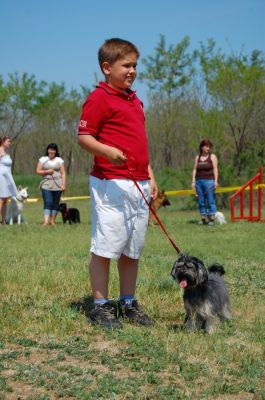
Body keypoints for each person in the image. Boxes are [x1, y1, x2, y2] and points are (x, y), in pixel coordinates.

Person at [78, 38, 158, 329]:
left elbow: (140, 144)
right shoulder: (99, 98)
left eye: (135, 65)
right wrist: (107, 152)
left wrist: (151, 174)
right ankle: (100, 305)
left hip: (139, 184)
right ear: (107, 67)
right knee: (106, 245)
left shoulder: (135, 100)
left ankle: (127, 302)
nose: (132, 70)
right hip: (110, 183)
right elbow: (84, 137)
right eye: (126, 65)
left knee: (131, 248)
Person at [36, 143, 66, 226]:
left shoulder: (59, 160)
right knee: (48, 201)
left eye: (53, 149)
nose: (52, 151)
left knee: (55, 203)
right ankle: (46, 221)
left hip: (58, 184)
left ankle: (52, 221)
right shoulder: (43, 159)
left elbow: (63, 173)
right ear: (47, 150)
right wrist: (46, 172)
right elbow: (38, 171)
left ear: (56, 151)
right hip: (46, 183)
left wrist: (63, 185)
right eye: (50, 149)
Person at [192, 139, 218, 226]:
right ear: (202, 147)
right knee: (201, 201)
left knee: (210, 200)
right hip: (199, 182)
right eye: (206, 146)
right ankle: (203, 218)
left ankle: (212, 219)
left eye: (209, 146)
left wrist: (216, 181)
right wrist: (193, 181)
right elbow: (195, 169)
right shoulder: (197, 157)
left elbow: (215, 169)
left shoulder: (212, 157)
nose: (208, 148)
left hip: (209, 181)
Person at [0, 136, 18, 224]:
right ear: (3, 142)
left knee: (5, 199)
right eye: (8, 141)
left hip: (7, 176)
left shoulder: (6, 153)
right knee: (1, 199)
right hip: (1, 176)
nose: (9, 143)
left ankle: (3, 220)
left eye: (10, 141)